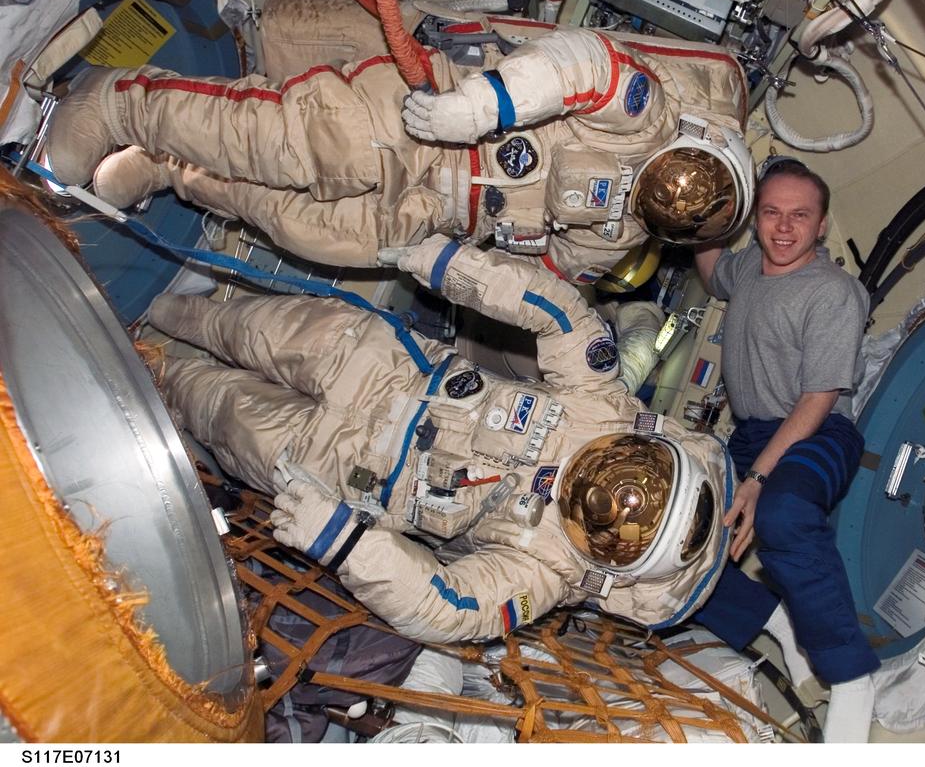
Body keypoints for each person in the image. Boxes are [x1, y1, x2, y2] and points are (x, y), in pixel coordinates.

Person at [150, 235, 730, 642]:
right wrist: (451, 267)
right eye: (639, 474)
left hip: (338, 467)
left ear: (616, 562)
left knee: (209, 403)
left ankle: (143, 366)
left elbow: (449, 607)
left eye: (621, 523)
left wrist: (344, 542)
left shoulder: (546, 571)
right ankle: (164, 306)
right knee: (240, 325)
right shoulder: (604, 409)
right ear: (653, 448)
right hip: (385, 366)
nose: (609, 489)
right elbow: (557, 312)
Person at [42, 0, 754, 282]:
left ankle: (168, 169)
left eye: (690, 213)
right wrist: (480, 106)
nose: (679, 196)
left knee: (303, 229)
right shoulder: (647, 113)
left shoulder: (616, 237)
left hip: (441, 216)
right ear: (699, 147)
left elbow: (548, 275)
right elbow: (583, 65)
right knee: (288, 145)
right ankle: (114, 103)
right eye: (695, 182)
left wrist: (456, 265)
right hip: (435, 123)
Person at [689, 158, 879, 742]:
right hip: (748, 436)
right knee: (675, 542)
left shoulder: (832, 291)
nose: (784, 227)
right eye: (771, 212)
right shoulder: (749, 266)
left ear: (821, 225)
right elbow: (713, 270)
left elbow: (819, 397)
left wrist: (757, 478)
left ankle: (851, 677)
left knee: (783, 513)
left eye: (800, 216)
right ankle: (772, 620)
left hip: (816, 431)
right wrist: (700, 217)